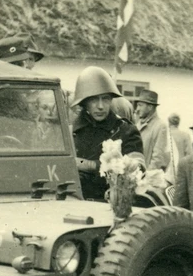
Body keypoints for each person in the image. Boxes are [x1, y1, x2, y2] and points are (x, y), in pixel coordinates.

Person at [71, 67, 145, 201]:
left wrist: (91, 165)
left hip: (110, 205)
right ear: (84, 102)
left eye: (105, 99)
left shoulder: (126, 131)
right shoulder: (71, 131)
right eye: (94, 99)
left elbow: (137, 168)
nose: (100, 106)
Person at [133, 90, 171, 171]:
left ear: (150, 107)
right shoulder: (138, 124)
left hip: (148, 179)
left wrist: (146, 177)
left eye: (140, 105)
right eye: (137, 106)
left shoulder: (160, 126)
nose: (137, 109)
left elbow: (158, 158)